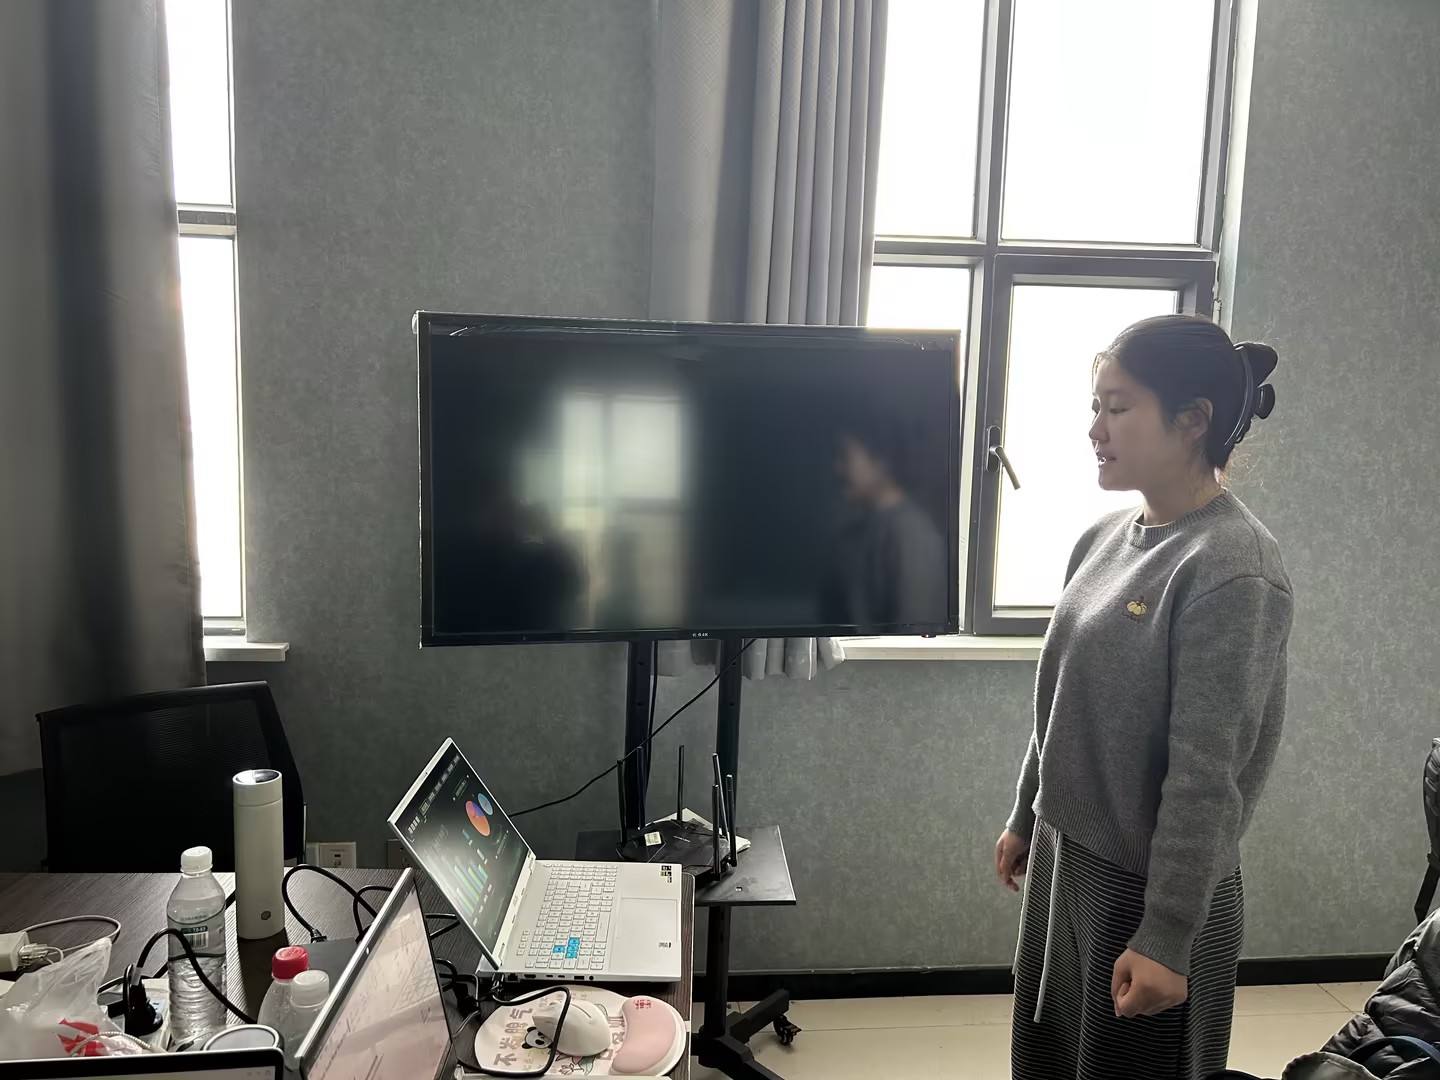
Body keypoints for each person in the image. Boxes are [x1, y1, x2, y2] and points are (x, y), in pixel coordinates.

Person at [995, 314, 1292, 1079]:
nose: (1095, 428)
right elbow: (1062, 699)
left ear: (1191, 421)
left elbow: (1207, 778)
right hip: (1066, 864)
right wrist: (1027, 813)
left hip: (1151, 891)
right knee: (1048, 1061)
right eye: (1095, 406)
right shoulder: (1102, 538)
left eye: (1117, 407)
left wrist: (1166, 936)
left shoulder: (1233, 568)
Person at [821, 416, 947, 629]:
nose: (837, 468)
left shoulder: (912, 536)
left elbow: (913, 631)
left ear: (881, 461)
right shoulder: (855, 534)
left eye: (845, 456)